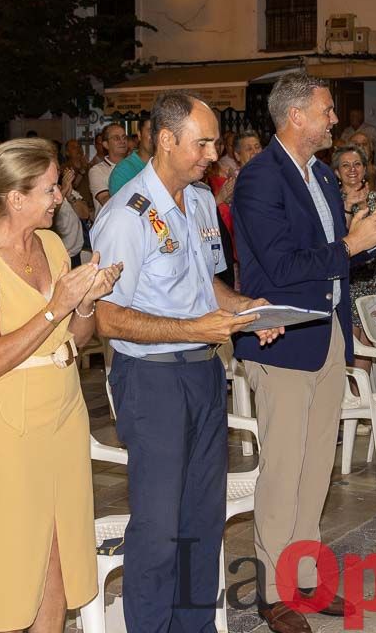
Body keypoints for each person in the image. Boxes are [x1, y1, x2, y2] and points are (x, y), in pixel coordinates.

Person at [94, 93, 280, 633]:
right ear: (166, 139)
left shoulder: (198, 200)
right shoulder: (126, 214)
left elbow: (206, 286)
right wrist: (193, 328)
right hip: (152, 379)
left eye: (215, 141)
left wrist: (247, 309)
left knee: (202, 515)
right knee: (158, 525)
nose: (212, 153)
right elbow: (107, 317)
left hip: (202, 371)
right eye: (202, 142)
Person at [233, 73, 376, 632]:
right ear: (296, 117)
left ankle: (303, 576)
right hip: (281, 337)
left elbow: (334, 257)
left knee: (316, 468)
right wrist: (351, 245)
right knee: (284, 469)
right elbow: (282, 268)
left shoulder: (323, 176)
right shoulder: (261, 179)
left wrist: (368, 239)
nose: (336, 120)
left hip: (328, 333)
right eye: (327, 110)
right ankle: (271, 591)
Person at [0, 138, 121, 632]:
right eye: (50, 189)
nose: (59, 198)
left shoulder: (52, 244)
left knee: (59, 545)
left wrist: (87, 301)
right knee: (17, 549)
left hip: (64, 404)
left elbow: (77, 335)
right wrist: (56, 303)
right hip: (12, 414)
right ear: (16, 198)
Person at [335, 145, 376, 376]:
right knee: (350, 354)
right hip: (349, 284)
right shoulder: (333, 202)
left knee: (367, 352)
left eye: (357, 164)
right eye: (345, 165)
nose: (352, 170)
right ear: (337, 172)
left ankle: (364, 407)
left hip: (375, 284)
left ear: (365, 169)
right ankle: (353, 403)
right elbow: (338, 241)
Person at [89, 122, 129, 216]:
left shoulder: (134, 165)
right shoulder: (97, 171)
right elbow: (106, 201)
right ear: (106, 145)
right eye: (116, 138)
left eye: (124, 137)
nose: (122, 141)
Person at [108, 118, 153, 196]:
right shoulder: (123, 171)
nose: (156, 136)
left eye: (159, 131)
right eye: (151, 131)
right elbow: (121, 205)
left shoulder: (168, 166)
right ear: (139, 135)